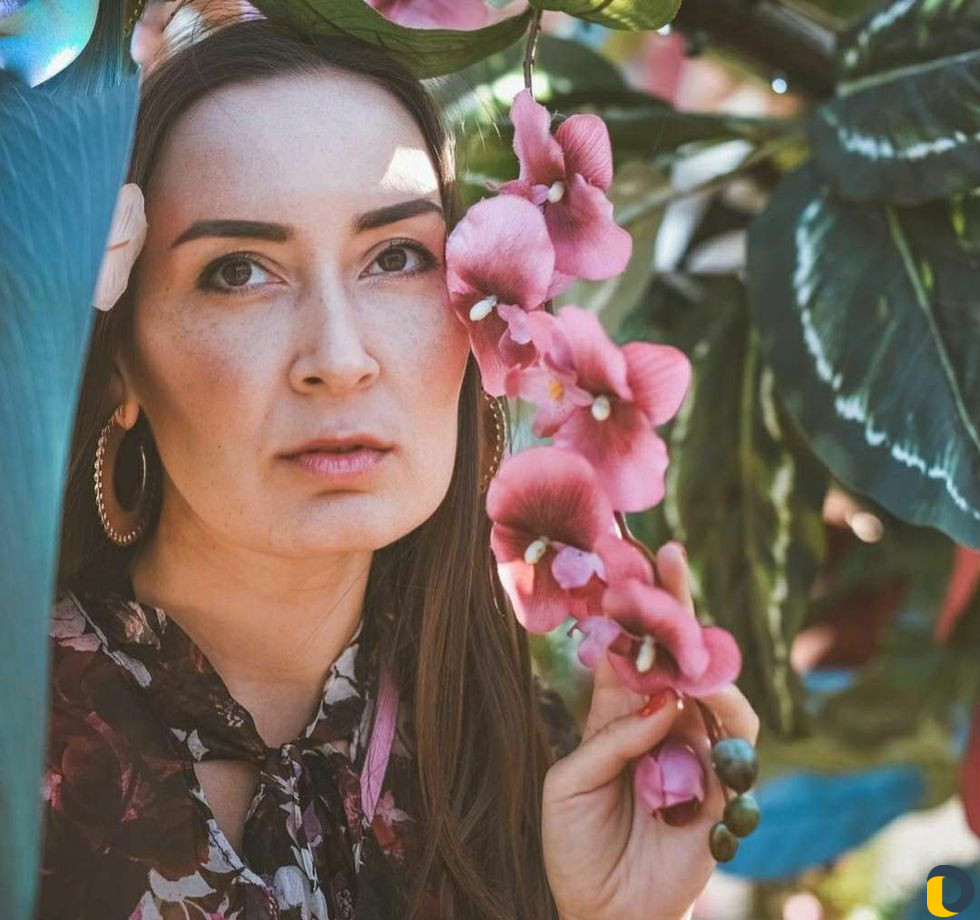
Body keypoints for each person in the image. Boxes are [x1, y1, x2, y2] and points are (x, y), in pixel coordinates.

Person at [41, 17, 758, 920]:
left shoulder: (534, 773)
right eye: (239, 273)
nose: (340, 359)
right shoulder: (21, 740)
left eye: (396, 258)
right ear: (120, 360)